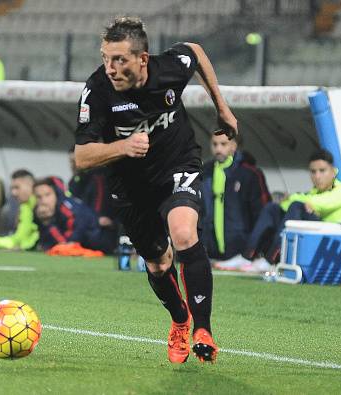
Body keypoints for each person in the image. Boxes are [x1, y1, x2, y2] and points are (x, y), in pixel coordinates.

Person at [73, 17, 238, 363]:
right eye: (105, 58)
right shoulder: (97, 91)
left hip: (178, 164)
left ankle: (203, 330)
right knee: (159, 265)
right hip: (131, 186)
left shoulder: (168, 70)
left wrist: (222, 107)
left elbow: (195, 51)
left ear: (143, 59)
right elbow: (82, 157)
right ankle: (180, 320)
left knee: (183, 233)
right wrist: (122, 147)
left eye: (119, 60)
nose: (111, 68)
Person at [234, 149, 341, 271]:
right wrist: (299, 200)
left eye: (322, 171)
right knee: (272, 209)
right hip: (318, 237)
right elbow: (286, 204)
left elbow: (321, 202)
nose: (317, 176)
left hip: (338, 241)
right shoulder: (313, 193)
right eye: (313, 171)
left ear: (333, 171)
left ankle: (270, 260)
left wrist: (300, 200)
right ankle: (247, 256)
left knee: (297, 207)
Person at [201, 133, 271, 266]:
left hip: (240, 250)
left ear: (234, 146)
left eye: (223, 144)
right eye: (214, 144)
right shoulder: (205, 172)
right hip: (210, 251)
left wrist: (255, 249)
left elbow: (261, 214)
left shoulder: (250, 173)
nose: (218, 149)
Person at [33, 177, 111, 253]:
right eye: (38, 197)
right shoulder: (39, 211)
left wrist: (48, 223)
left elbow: (66, 244)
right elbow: (44, 244)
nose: (43, 201)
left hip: (101, 245)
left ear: (56, 194)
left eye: (47, 195)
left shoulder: (70, 211)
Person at [68, 147, 118, 252]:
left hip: (100, 230)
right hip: (84, 226)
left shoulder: (98, 177)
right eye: (71, 162)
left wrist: (96, 219)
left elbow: (97, 210)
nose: (73, 165)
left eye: (76, 161)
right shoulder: (74, 182)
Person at [0, 169, 39, 250]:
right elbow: (20, 237)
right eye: (12, 188)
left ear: (30, 185)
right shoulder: (25, 206)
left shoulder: (39, 205)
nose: (13, 193)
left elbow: (34, 237)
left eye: (17, 187)